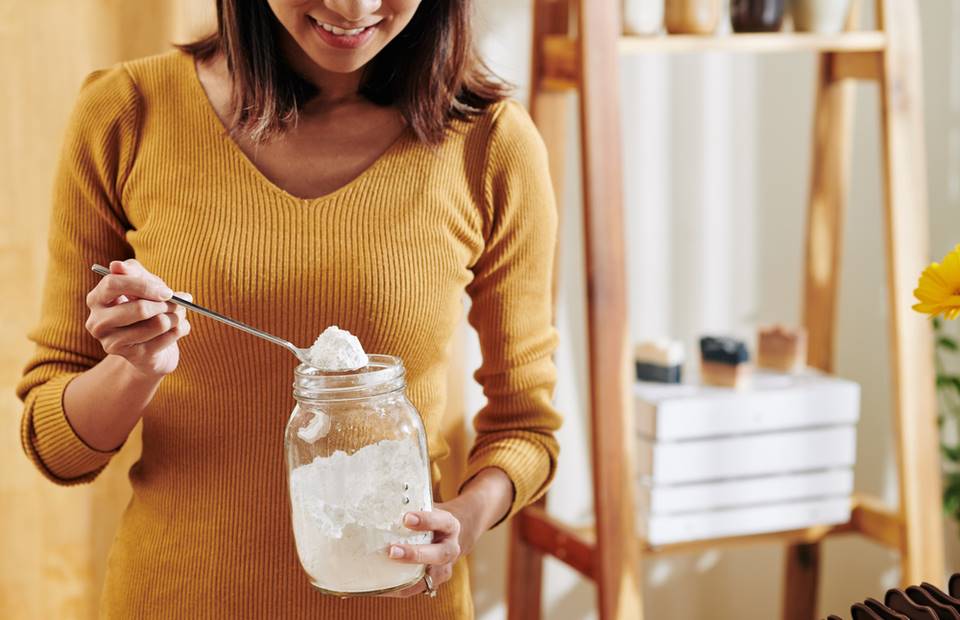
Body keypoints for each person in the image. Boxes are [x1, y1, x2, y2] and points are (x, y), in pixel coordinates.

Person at [16, 0, 561, 617]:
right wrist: (134, 367)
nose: (353, 8)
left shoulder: (492, 143)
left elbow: (525, 429)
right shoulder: (127, 111)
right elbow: (57, 450)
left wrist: (460, 521)